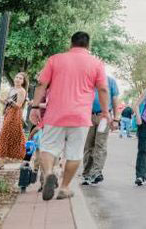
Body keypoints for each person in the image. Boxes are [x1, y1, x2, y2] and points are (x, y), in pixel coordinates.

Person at [29, 32, 110, 201]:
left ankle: (50, 173)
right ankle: (64, 188)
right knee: (74, 153)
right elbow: (103, 89)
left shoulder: (55, 59)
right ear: (88, 45)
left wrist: (35, 106)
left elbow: (42, 84)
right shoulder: (96, 63)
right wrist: (105, 112)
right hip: (80, 116)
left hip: (55, 114)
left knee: (48, 148)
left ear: (70, 43)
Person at [81, 73, 119, 185]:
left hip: (104, 117)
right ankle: (87, 173)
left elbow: (115, 99)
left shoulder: (110, 81)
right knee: (88, 145)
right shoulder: (88, 79)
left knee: (100, 144)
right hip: (88, 116)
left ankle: (96, 172)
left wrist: (116, 118)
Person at [0, 72, 28, 166]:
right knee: (11, 136)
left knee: (5, 135)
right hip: (8, 113)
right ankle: (6, 160)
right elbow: (5, 102)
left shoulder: (22, 91)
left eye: (20, 78)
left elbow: (19, 105)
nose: (18, 79)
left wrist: (11, 101)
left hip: (14, 114)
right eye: (17, 77)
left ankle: (1, 162)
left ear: (23, 81)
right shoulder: (12, 89)